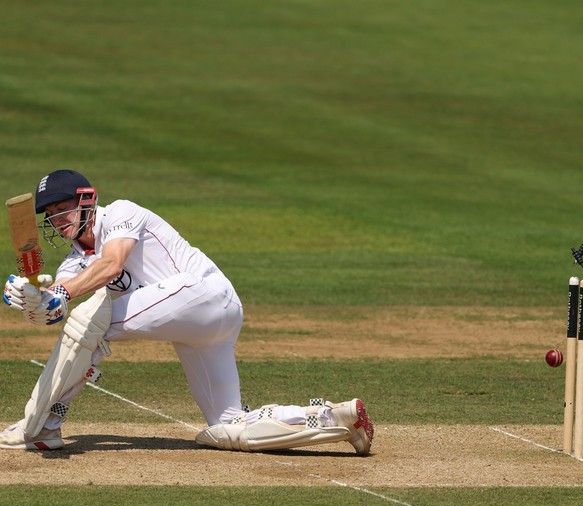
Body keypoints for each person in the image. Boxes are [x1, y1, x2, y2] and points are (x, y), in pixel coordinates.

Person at [1, 169, 374, 454]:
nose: (57, 219)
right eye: (50, 214)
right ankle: (336, 417)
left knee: (91, 322)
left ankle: (39, 426)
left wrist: (62, 294)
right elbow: (54, 312)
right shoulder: (73, 261)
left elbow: (112, 265)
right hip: (196, 327)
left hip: (205, 293)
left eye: (62, 208)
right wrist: (32, 298)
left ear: (87, 199)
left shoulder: (121, 213)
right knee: (227, 429)